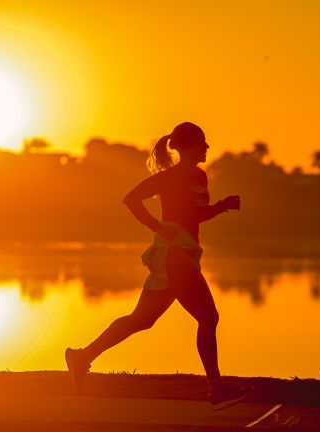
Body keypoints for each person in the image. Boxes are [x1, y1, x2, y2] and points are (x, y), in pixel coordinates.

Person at [66, 122, 253, 410]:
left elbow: (195, 215)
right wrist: (157, 226)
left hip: (185, 253)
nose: (207, 147)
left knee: (141, 320)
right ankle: (216, 389)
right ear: (187, 146)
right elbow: (131, 199)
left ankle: (82, 357)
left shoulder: (200, 177)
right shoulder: (169, 177)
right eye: (202, 142)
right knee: (209, 317)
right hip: (174, 255)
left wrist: (222, 206)